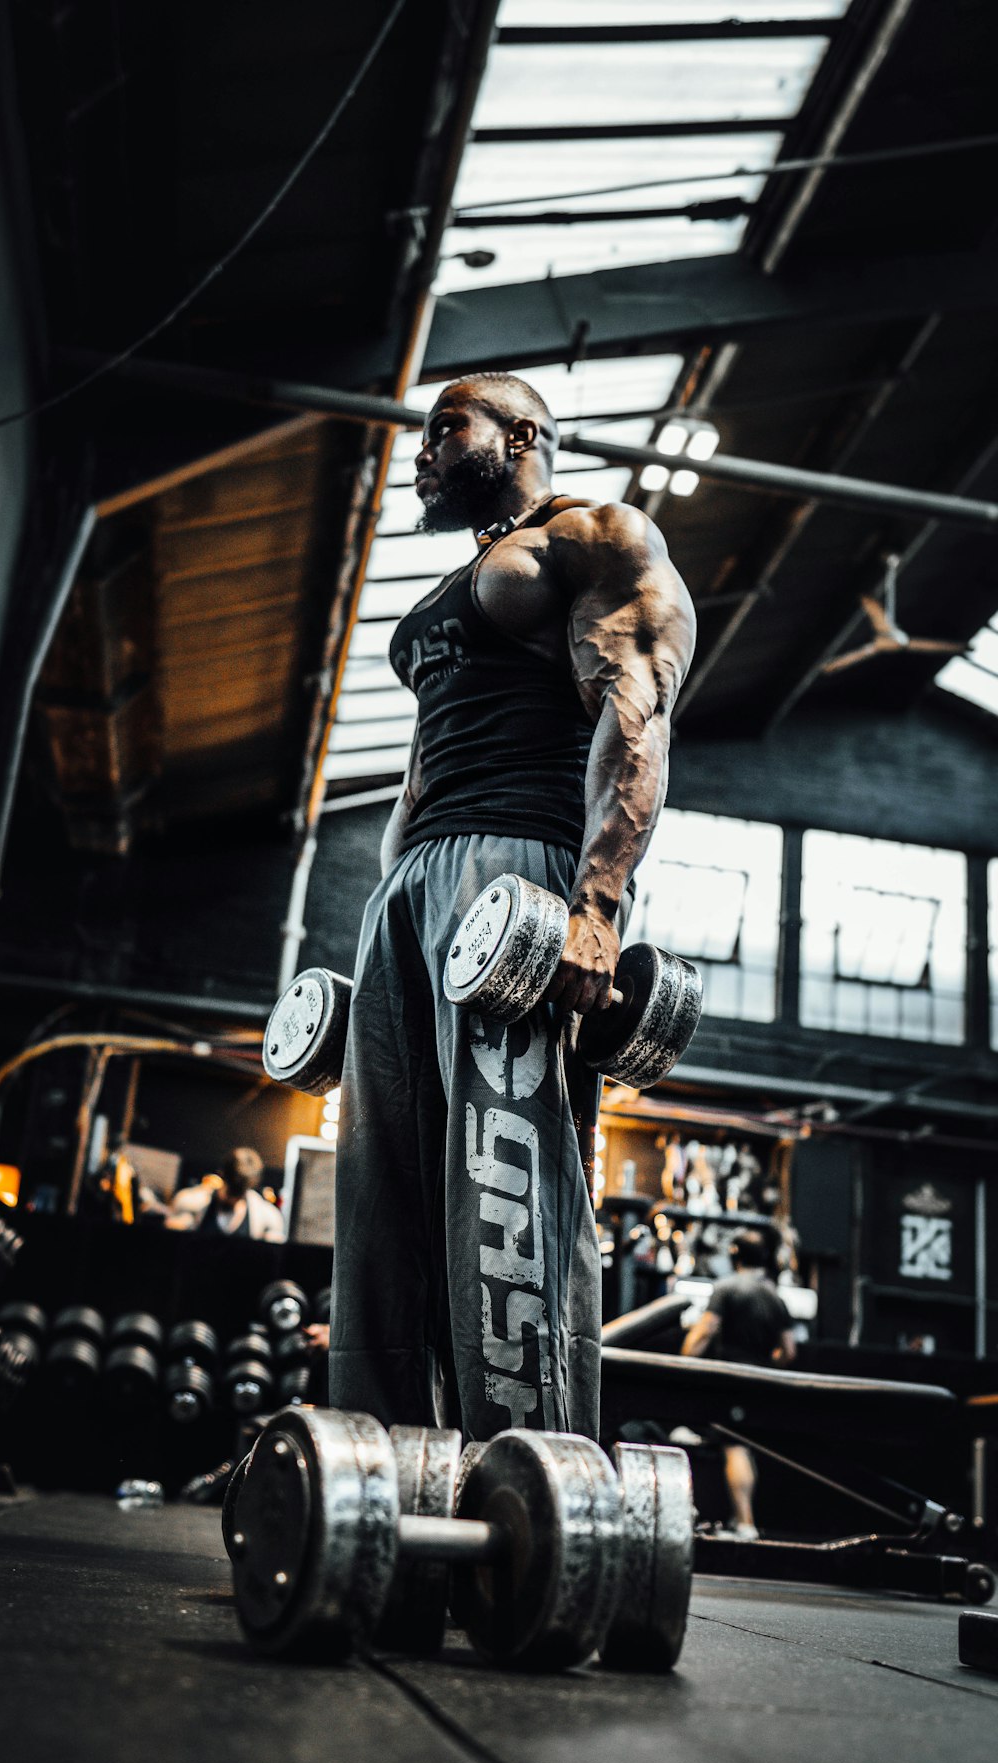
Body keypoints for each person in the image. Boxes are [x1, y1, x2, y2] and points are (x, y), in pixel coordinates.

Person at [327, 371, 695, 1443]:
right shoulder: (461, 584)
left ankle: (526, 1493)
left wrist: (596, 907)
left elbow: (636, 720)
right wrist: (381, 928)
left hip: (515, 883)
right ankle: (386, 1488)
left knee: (509, 1192)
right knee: (381, 1207)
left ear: (523, 433)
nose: (423, 452)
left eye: (448, 428)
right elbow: (415, 778)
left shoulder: (595, 536)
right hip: (412, 893)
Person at [682, 1228, 796, 1537]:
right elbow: (788, 1351)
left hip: (730, 1381)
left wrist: (681, 1364)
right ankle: (738, 1519)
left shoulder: (727, 1288)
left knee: (735, 1447)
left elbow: (704, 1332)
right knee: (743, 1446)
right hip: (758, 1384)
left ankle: (745, 1524)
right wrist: (765, 1366)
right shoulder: (775, 1297)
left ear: (735, 1256)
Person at [166, 1148, 285, 1241]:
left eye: (238, 1193)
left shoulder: (268, 1219)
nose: (232, 1198)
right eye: (231, 1190)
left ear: (250, 1186)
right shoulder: (190, 1203)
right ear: (222, 1175)